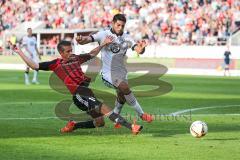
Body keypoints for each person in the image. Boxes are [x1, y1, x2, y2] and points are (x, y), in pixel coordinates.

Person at [9, 36, 143, 135]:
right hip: (79, 94)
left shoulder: (75, 58)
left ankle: (74, 126)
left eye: (70, 50)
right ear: (61, 53)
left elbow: (92, 54)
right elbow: (34, 65)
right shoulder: (55, 64)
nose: (70, 53)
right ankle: (131, 126)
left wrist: (102, 44)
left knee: (99, 122)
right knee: (104, 107)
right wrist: (19, 52)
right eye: (67, 51)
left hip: (87, 92)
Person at [76, 14, 153, 128]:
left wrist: (142, 47)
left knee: (122, 95)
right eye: (118, 25)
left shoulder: (127, 38)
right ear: (112, 23)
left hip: (121, 72)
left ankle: (116, 118)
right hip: (108, 74)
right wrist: (81, 39)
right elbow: (87, 40)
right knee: (125, 88)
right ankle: (141, 114)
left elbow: (139, 50)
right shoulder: (104, 34)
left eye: (122, 26)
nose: (120, 28)